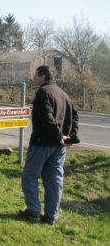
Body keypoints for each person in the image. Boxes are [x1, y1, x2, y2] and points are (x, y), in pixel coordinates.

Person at [19, 65, 79, 225]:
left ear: (43, 75)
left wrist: (60, 136)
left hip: (42, 143)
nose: (33, 78)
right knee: (54, 180)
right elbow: (75, 116)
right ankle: (51, 216)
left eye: (35, 75)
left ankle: (33, 212)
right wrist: (70, 137)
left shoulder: (43, 93)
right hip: (59, 147)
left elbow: (46, 117)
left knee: (29, 176)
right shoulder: (63, 93)